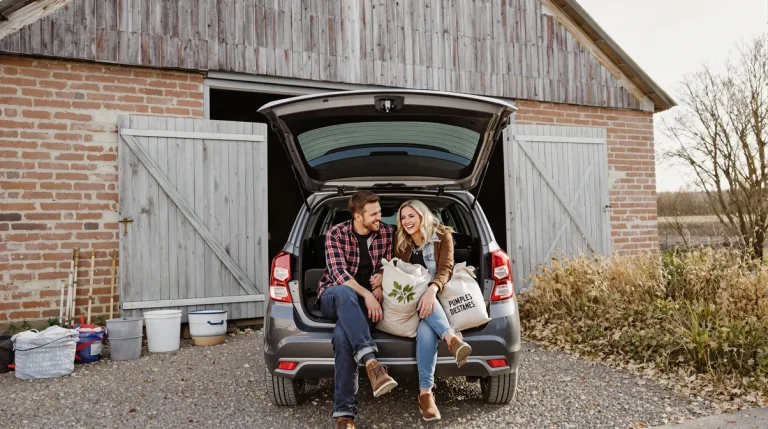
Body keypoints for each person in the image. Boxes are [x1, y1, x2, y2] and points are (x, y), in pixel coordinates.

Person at [316, 190, 398, 429]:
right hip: (334, 295)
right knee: (345, 292)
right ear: (357, 216)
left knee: (343, 338)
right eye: (374, 214)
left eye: (380, 212)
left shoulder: (387, 233)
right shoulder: (335, 234)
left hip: (363, 304)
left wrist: (383, 280)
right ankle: (372, 362)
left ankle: (344, 416)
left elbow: (392, 263)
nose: (379, 218)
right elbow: (339, 275)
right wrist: (368, 296)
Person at [394, 199, 472, 422]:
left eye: (411, 216)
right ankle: (451, 339)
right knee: (419, 293)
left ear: (422, 215)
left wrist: (432, 290)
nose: (406, 221)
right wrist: (383, 275)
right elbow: (398, 270)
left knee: (426, 330)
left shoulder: (442, 235)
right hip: (411, 300)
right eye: (403, 217)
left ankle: (425, 394)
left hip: (438, 297)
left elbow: (446, 267)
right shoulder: (401, 241)